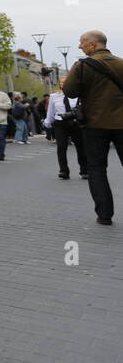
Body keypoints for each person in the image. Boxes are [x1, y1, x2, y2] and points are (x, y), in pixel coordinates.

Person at [63, 30, 123, 226]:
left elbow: (70, 91)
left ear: (93, 44)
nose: (80, 46)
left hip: (95, 125)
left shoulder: (82, 65)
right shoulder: (121, 63)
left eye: (82, 43)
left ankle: (104, 215)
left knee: (97, 169)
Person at [45, 78, 86, 181]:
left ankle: (84, 170)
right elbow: (51, 112)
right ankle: (63, 171)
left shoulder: (78, 94)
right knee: (61, 147)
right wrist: (48, 123)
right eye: (62, 82)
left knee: (80, 147)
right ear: (59, 84)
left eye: (66, 82)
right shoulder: (54, 96)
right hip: (60, 124)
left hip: (75, 123)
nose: (63, 84)